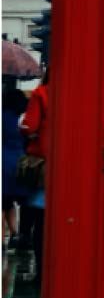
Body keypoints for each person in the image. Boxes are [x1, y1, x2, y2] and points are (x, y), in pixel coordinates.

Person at [18, 69, 48, 281]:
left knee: (41, 220)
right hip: (72, 164)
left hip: (45, 164)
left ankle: (41, 270)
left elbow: (29, 126)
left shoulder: (41, 94)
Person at [2, 78, 28, 249]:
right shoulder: (23, 119)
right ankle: (15, 234)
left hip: (2, 162)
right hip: (20, 164)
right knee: (12, 201)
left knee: (3, 202)